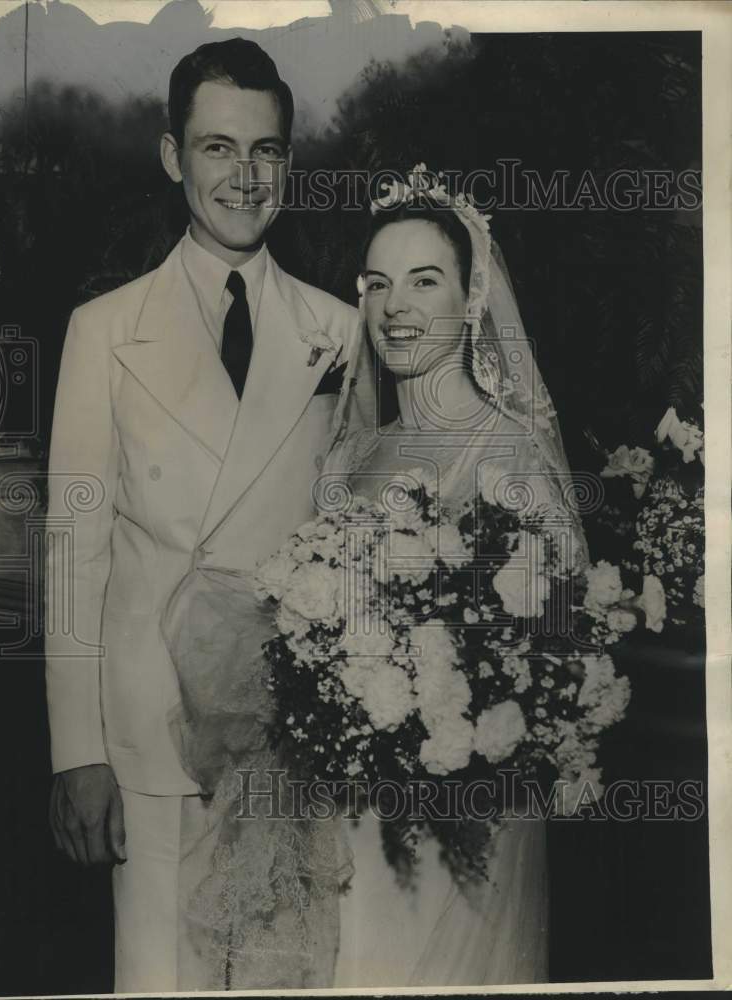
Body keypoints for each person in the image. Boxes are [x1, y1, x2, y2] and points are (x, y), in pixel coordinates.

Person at [45, 39, 372, 993]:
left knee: (289, 974)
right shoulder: (103, 331)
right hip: (149, 738)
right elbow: (73, 556)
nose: (244, 174)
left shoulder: (340, 332)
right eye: (218, 147)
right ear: (170, 156)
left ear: (288, 164)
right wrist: (77, 753)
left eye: (265, 150)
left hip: (293, 738)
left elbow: (358, 539)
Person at [323, 171, 588, 986]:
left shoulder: (508, 454)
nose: (394, 306)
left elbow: (558, 658)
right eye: (376, 284)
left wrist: (460, 704)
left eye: (422, 281)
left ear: (471, 299)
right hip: (353, 815)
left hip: (475, 819)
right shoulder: (347, 458)